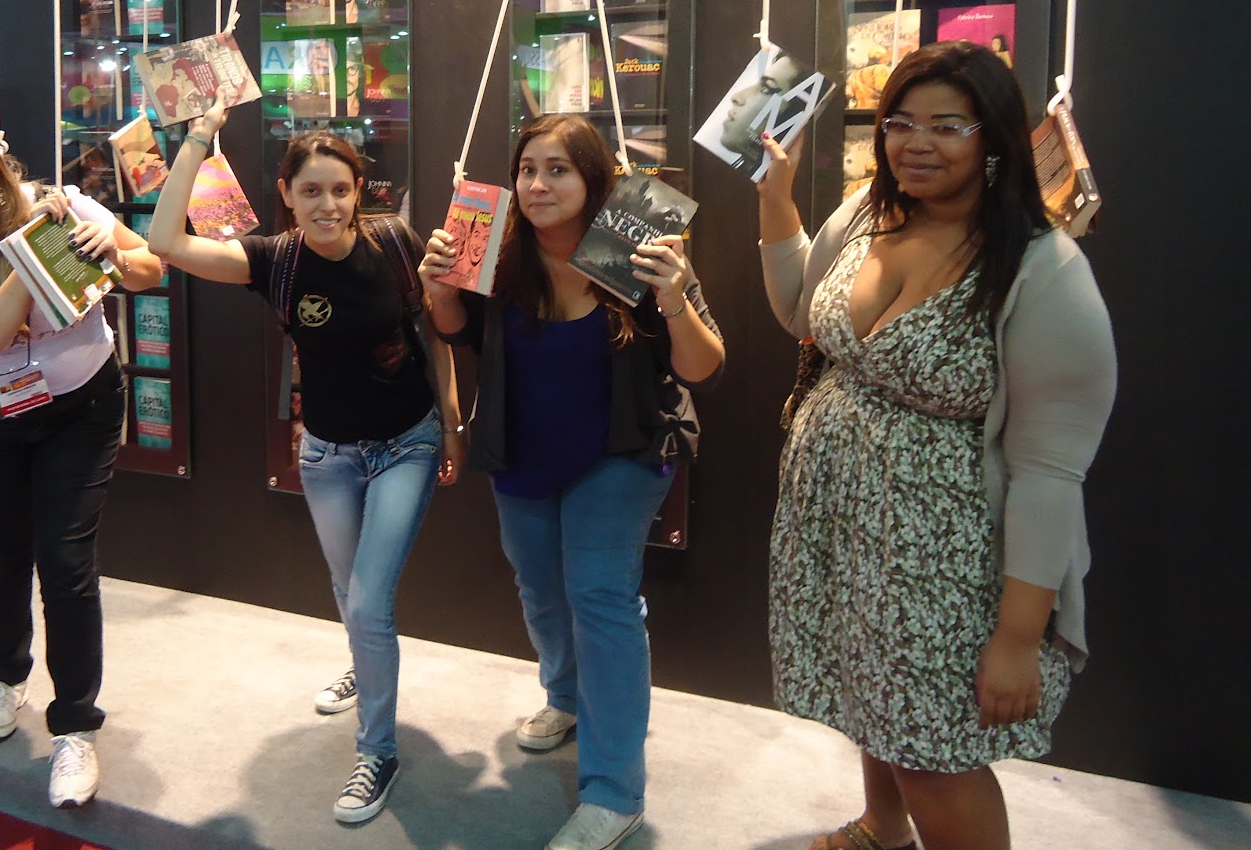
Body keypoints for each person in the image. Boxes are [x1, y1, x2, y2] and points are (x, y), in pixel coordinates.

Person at [755, 43, 1116, 850]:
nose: (916, 143)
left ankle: (903, 816)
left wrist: (1017, 639)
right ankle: (883, 827)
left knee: (934, 752)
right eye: (900, 123)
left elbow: (1050, 474)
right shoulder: (866, 212)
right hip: (846, 524)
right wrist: (775, 198)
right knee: (872, 692)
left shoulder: (1042, 269)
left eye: (947, 126)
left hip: (946, 558)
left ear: (994, 139)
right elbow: (802, 314)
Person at [146, 92, 464, 827]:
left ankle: (377, 751)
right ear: (286, 195)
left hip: (406, 441)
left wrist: (452, 424)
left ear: (359, 192)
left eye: (340, 190)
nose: (328, 205)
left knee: (371, 600)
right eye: (311, 191)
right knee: (348, 585)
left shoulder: (396, 243)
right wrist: (198, 139)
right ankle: (363, 664)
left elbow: (437, 336)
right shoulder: (274, 260)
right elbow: (166, 241)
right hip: (326, 452)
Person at [420, 115, 724, 850]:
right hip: (523, 449)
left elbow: (704, 367)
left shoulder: (638, 248)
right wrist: (437, 288)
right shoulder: (498, 248)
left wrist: (675, 296)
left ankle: (614, 791)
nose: (537, 184)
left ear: (595, 178)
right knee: (538, 585)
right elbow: (458, 332)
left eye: (558, 169)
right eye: (527, 169)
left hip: (621, 450)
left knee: (600, 595)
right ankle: (565, 695)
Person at [0, 106, 162, 809]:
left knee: (66, 563)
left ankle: (74, 724)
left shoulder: (64, 204)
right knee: (4, 551)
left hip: (82, 409)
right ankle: (6, 676)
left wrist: (107, 248)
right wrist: (34, 250)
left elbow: (149, 268)